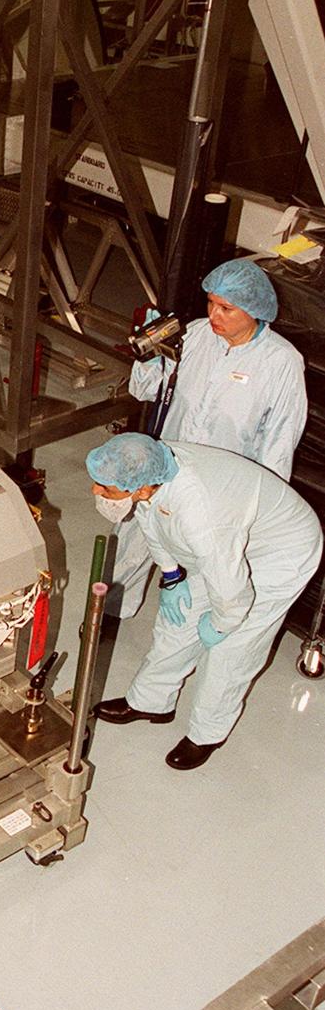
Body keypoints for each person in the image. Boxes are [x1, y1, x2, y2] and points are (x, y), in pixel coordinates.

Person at [87, 434, 322, 769]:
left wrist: (221, 623)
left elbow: (231, 588)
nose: (96, 492)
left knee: (233, 649)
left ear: (139, 488)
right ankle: (152, 701)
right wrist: (170, 574)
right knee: (177, 620)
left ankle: (208, 733)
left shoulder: (201, 514)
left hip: (281, 552)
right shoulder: (151, 468)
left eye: (106, 488)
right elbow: (151, 521)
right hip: (231, 541)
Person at [114, 258, 307, 617]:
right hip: (166, 464)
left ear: (254, 310)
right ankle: (109, 616)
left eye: (226, 308)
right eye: (210, 303)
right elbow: (145, 390)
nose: (214, 315)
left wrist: (258, 508)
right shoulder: (197, 334)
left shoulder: (281, 362)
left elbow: (280, 442)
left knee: (205, 556)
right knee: (135, 539)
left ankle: (190, 628)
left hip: (219, 485)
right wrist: (148, 358)